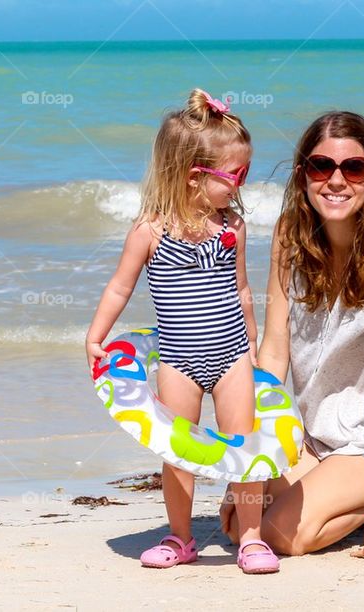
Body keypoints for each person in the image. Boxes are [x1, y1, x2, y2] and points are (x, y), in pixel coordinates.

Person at [221, 111, 364, 565]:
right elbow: (275, 350)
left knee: (279, 534)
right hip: (315, 435)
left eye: (353, 168)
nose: (336, 181)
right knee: (235, 520)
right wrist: (254, 445)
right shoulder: (291, 235)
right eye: (322, 166)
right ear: (303, 175)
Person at [86, 89, 280, 574]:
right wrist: (96, 337)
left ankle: (252, 538)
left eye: (245, 172)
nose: (242, 183)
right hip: (176, 358)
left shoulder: (231, 226)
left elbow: (242, 289)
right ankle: (181, 536)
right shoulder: (149, 231)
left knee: (246, 447)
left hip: (232, 354)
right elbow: (118, 288)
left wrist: (253, 346)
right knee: (177, 453)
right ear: (195, 176)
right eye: (235, 174)